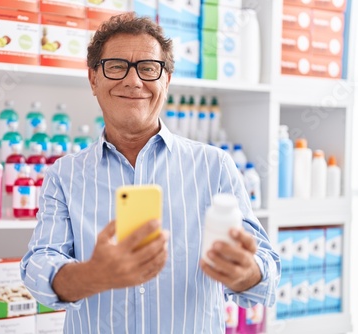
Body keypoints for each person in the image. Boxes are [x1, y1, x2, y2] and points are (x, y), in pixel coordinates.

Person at [21, 12, 280, 333]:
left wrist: (243, 272)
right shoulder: (65, 173)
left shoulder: (214, 166)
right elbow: (37, 266)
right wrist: (95, 274)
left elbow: (267, 271)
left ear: (166, 81)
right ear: (93, 79)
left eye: (148, 68)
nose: (133, 81)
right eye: (116, 66)